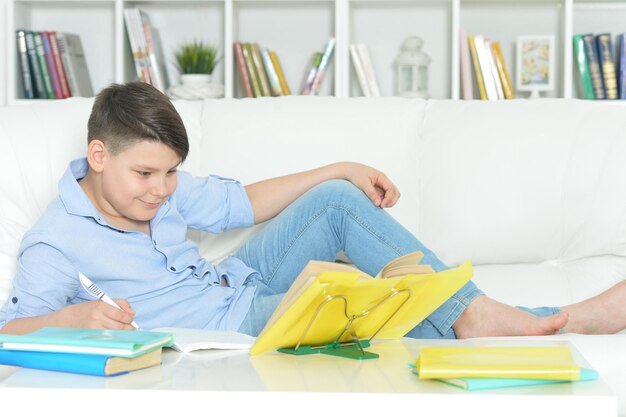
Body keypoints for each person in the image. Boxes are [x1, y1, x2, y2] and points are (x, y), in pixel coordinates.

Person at [1, 81, 624, 338]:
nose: (162, 191)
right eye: (146, 174)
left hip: (237, 282)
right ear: (98, 154)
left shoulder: (155, 187)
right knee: (361, 303)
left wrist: (339, 169)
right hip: (225, 332)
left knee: (333, 202)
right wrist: (79, 314)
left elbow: (241, 203)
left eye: (170, 174)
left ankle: (474, 313)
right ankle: (554, 318)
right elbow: (6, 337)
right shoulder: (55, 244)